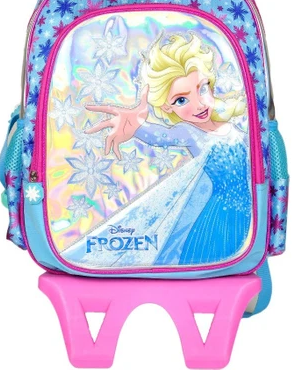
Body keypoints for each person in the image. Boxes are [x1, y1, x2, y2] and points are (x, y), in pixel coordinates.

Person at [85, 33, 252, 265]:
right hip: (218, 214)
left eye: (202, 89)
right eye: (181, 100)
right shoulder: (190, 132)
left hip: (247, 210)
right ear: (166, 106)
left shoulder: (232, 127)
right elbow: (161, 136)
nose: (199, 104)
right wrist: (137, 125)